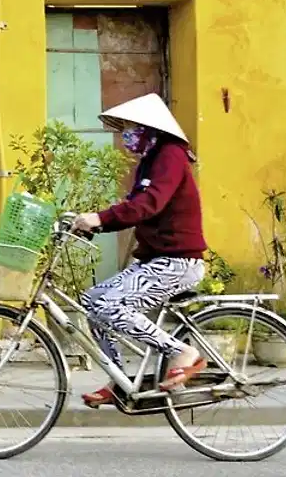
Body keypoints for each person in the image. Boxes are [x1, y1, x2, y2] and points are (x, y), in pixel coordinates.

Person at [71, 94, 208, 408]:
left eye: (132, 127)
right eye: (125, 128)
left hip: (177, 261)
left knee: (108, 303)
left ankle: (180, 351)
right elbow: (135, 209)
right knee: (92, 301)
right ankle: (118, 379)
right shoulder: (151, 160)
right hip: (156, 259)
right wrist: (96, 224)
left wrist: (100, 218)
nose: (126, 134)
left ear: (150, 128)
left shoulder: (171, 155)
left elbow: (149, 204)